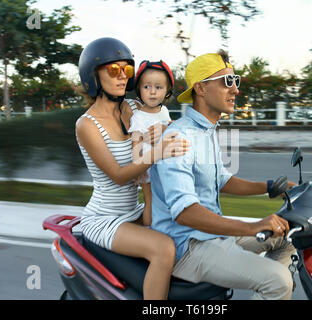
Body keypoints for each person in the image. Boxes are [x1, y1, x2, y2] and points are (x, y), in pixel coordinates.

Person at [149, 50, 297, 300]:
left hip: (212, 235)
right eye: (227, 82)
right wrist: (253, 227)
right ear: (201, 89)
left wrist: (270, 187)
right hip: (189, 246)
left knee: (288, 236)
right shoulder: (179, 137)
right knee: (279, 281)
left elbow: (222, 181)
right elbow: (185, 213)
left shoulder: (206, 131)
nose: (236, 90)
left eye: (236, 81)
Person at [75, 37, 190, 300]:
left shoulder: (135, 108)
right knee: (163, 248)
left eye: (127, 70)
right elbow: (117, 176)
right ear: (93, 77)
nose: (122, 76)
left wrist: (167, 128)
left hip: (134, 210)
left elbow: (166, 119)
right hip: (104, 219)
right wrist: (157, 152)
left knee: (186, 226)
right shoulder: (87, 125)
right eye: (113, 70)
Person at [128, 60, 174, 226]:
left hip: (165, 165)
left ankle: (165, 229)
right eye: (147, 87)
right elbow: (136, 142)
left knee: (165, 200)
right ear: (139, 89)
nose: (152, 92)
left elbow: (170, 129)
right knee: (151, 201)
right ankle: (149, 232)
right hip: (147, 167)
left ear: (167, 91)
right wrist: (137, 166)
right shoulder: (138, 117)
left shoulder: (164, 111)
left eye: (158, 87)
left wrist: (166, 127)